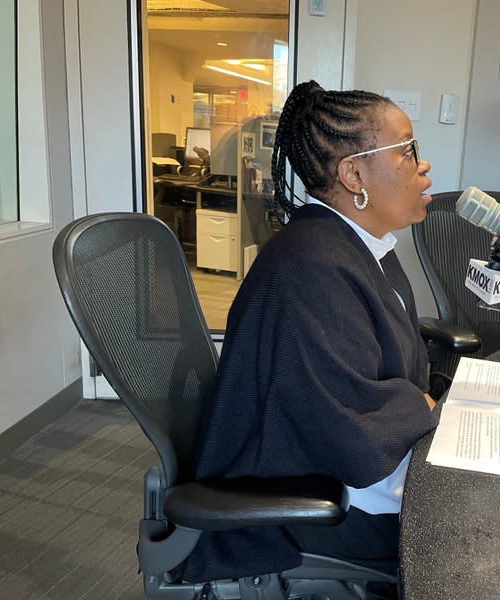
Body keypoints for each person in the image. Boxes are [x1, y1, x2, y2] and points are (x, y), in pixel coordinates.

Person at [178, 80, 439, 583]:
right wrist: (422, 408)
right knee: (467, 529)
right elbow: (345, 430)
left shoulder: (359, 245)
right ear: (353, 173)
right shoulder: (312, 267)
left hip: (346, 473)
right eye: (407, 151)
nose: (421, 165)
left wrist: (424, 407)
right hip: (316, 501)